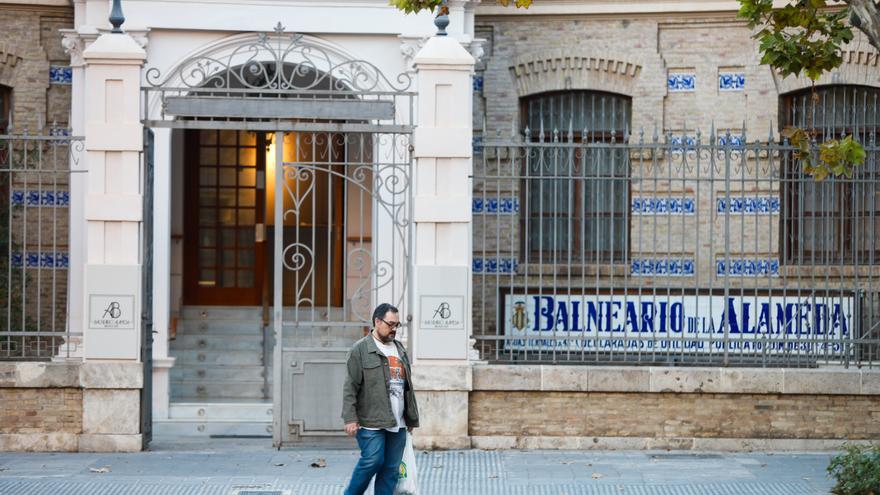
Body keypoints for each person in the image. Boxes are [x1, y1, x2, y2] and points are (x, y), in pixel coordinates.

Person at [342, 303, 420, 495]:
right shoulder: (360, 350)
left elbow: (407, 386)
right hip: (370, 421)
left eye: (397, 325)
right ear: (377, 321)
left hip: (398, 421)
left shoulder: (400, 349)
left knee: (391, 470)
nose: (394, 329)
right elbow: (350, 386)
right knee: (373, 460)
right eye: (390, 324)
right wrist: (350, 418)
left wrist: (410, 417)